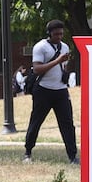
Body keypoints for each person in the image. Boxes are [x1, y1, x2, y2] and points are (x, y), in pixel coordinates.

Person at [23, 20, 79, 164]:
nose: (59, 37)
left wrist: (64, 73)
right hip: (43, 90)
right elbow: (37, 69)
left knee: (67, 123)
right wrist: (57, 60)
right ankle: (28, 152)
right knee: (36, 122)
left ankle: (72, 156)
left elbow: (63, 66)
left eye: (61, 34)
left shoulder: (65, 47)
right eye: (56, 34)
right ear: (49, 33)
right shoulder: (40, 47)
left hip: (60, 90)